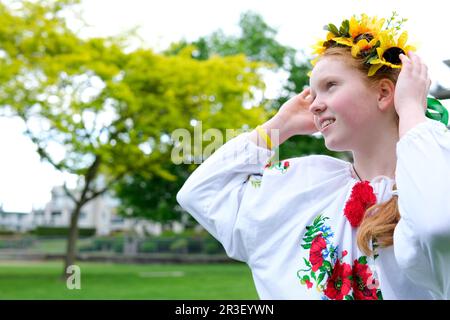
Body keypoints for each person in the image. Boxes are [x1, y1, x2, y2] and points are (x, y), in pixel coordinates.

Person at [176, 13, 450, 300]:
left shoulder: (434, 170)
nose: (315, 105)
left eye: (330, 85)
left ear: (383, 92)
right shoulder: (308, 183)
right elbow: (200, 193)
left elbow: (437, 225)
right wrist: (279, 127)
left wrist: (410, 111)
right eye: (313, 93)